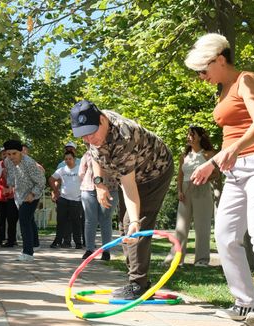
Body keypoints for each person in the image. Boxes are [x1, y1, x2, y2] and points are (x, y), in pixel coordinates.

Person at [185, 33, 254, 326]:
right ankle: (244, 302)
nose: (201, 77)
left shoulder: (246, 79)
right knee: (227, 235)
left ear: (219, 59)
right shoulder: (223, 88)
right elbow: (231, 138)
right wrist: (212, 161)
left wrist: (229, 152)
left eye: (204, 70)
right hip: (237, 171)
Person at [70, 99, 174, 300]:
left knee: (135, 225)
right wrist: (99, 184)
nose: (89, 139)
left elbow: (129, 185)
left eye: (92, 133)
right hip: (130, 175)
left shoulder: (124, 137)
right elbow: (95, 156)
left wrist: (135, 220)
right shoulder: (94, 132)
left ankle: (138, 285)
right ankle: (137, 281)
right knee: (125, 229)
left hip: (154, 172)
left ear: (102, 120)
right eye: (84, 135)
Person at [163, 126, 217, 268]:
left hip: (202, 190)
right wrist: (179, 191)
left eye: (192, 135)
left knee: (202, 227)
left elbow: (217, 174)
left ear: (200, 137)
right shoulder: (184, 156)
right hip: (185, 192)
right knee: (181, 227)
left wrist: (204, 179)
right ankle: (176, 259)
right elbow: (180, 176)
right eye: (188, 134)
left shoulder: (208, 154)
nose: (189, 137)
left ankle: (202, 260)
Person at [3, 140, 45, 262]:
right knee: (29, 219)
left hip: (32, 195)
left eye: (14, 154)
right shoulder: (7, 162)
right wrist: (9, 186)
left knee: (24, 219)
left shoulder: (29, 163)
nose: (11, 157)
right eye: (8, 154)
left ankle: (28, 253)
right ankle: (35, 244)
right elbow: (11, 176)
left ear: (21, 152)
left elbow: (41, 181)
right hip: (19, 195)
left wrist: (32, 194)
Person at [79, 146, 119, 260]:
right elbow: (81, 173)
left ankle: (106, 251)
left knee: (105, 219)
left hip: (110, 189)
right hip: (89, 189)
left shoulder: (114, 152)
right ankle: (89, 250)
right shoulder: (87, 154)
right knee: (90, 220)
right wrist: (86, 183)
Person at [49, 150, 83, 249]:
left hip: (77, 200)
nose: (68, 161)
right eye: (66, 159)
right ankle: (57, 241)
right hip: (63, 199)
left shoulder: (80, 169)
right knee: (61, 221)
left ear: (74, 159)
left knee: (76, 222)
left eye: (70, 159)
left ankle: (78, 243)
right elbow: (51, 179)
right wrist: (55, 191)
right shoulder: (62, 170)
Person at [0, 148, 18, 247]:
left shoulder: (14, 164)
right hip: (1, 195)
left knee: (12, 219)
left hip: (12, 195)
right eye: (3, 154)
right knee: (1, 219)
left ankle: (12, 239)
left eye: (7, 154)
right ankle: (0, 239)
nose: (5, 156)